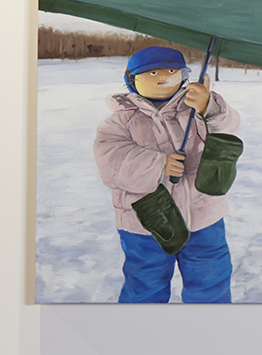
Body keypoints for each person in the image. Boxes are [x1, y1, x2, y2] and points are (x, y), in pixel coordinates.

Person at [93, 46, 242, 304]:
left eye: (171, 71)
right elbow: (111, 162)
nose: (162, 77)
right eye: (151, 73)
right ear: (131, 80)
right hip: (146, 222)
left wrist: (209, 107)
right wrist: (158, 164)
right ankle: (142, 325)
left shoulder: (194, 107)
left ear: (183, 75)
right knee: (146, 282)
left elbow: (228, 127)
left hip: (203, 215)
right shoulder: (119, 122)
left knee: (210, 279)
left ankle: (212, 323)